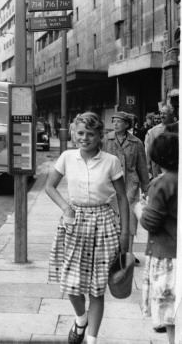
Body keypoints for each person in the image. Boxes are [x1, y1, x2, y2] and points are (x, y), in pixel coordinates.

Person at [45, 112, 129, 344]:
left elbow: (122, 197)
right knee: (72, 285)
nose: (84, 138)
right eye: (80, 133)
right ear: (74, 134)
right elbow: (50, 186)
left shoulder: (111, 161)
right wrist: (66, 208)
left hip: (103, 224)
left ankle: (91, 339)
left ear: (99, 136)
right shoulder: (67, 157)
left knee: (97, 289)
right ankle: (81, 319)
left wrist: (125, 233)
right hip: (74, 224)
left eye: (90, 134)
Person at [134, 132, 178, 343]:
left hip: (166, 257)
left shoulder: (162, 183)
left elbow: (150, 222)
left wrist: (139, 208)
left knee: (171, 314)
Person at [103, 111, 150, 264]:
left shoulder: (137, 143)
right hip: (110, 185)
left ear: (126, 124)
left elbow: (142, 167)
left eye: (119, 121)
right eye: (114, 121)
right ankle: (114, 253)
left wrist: (146, 188)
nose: (115, 124)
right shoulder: (106, 140)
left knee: (129, 219)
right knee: (112, 219)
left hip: (130, 185)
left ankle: (128, 253)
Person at [145, 104, 176, 178]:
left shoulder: (177, 127)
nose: (162, 116)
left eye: (165, 114)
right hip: (157, 164)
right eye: (161, 113)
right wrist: (148, 164)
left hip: (174, 163)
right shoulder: (154, 130)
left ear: (171, 115)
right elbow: (150, 147)